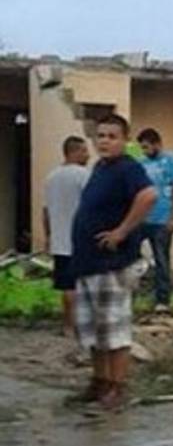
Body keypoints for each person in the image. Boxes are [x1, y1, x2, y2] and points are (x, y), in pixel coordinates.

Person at [70, 115, 156, 410]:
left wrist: (121, 231)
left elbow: (149, 195)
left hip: (112, 264)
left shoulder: (128, 168)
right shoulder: (100, 167)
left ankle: (117, 387)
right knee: (94, 331)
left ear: (124, 140)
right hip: (88, 263)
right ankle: (100, 382)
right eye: (101, 135)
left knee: (114, 331)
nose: (104, 141)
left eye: (112, 136)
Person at [42, 136, 91, 338]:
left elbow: (45, 211)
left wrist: (48, 236)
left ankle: (67, 326)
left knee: (66, 286)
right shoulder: (84, 175)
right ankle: (81, 325)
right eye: (85, 151)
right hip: (81, 240)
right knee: (83, 285)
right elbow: (91, 208)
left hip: (60, 240)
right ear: (75, 152)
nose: (88, 155)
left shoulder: (51, 177)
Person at [135, 128, 173, 312]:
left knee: (161, 259)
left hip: (163, 219)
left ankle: (162, 301)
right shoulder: (140, 164)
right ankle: (130, 296)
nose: (145, 151)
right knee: (130, 256)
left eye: (147, 147)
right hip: (142, 219)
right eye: (142, 148)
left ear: (157, 144)